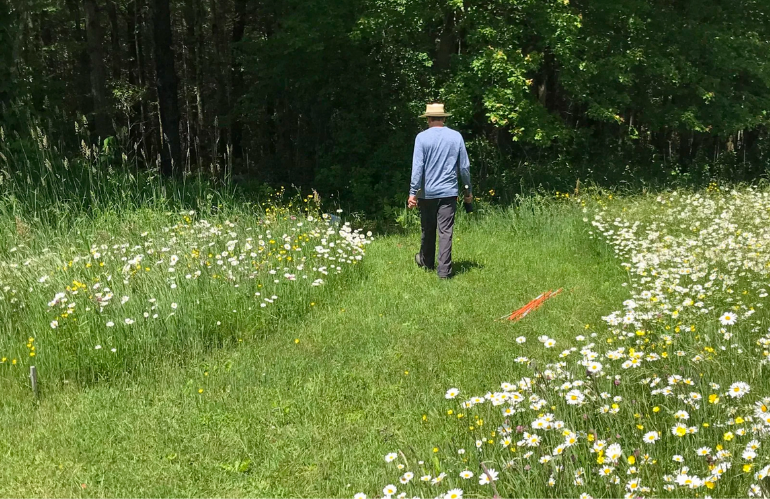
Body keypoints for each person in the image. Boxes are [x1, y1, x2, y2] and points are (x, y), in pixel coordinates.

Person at [408, 102, 472, 279]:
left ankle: (427, 262)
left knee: (428, 228)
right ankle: (444, 272)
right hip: (449, 192)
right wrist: (468, 191)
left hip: (427, 193)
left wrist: (413, 192)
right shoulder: (456, 136)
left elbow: (417, 167)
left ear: (428, 119)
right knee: (446, 232)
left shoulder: (421, 138)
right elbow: (464, 167)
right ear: (444, 118)